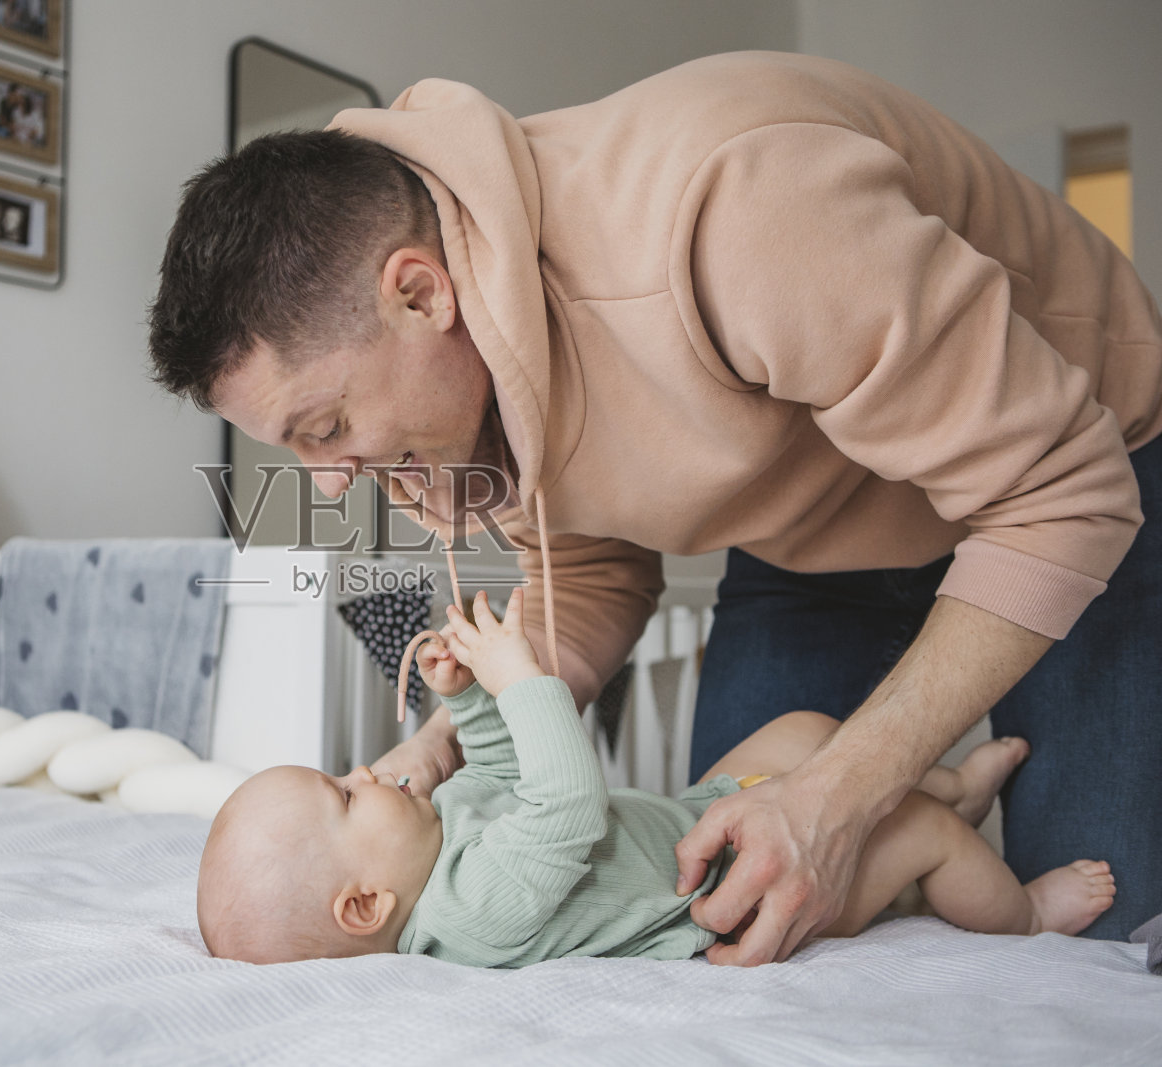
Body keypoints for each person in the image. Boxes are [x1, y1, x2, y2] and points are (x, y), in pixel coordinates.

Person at [148, 51, 1162, 955]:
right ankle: (931, 799)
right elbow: (588, 571)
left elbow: (1064, 495)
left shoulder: (739, 205)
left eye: (323, 427)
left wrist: (844, 793)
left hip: (1074, 481)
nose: (326, 481)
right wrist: (444, 736)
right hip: (804, 533)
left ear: (420, 296)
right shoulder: (450, 403)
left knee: (1107, 939)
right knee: (734, 889)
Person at [197, 588, 1116, 966]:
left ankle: (953, 787)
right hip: (734, 896)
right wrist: (523, 680)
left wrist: (471, 700)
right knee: (916, 833)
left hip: (695, 817)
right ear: (364, 906)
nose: (365, 770)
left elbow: (519, 774)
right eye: (344, 794)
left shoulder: (442, 834)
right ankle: (1022, 910)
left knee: (804, 731)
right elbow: (564, 802)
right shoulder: (464, 912)